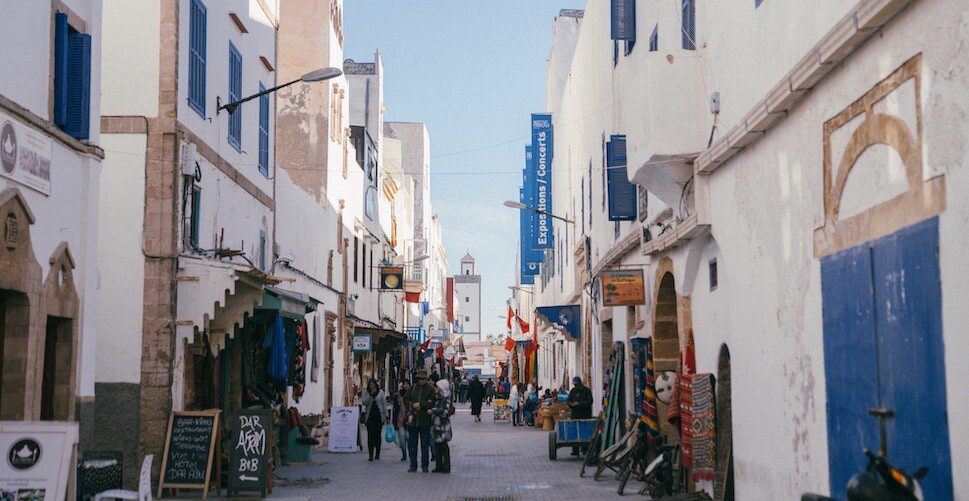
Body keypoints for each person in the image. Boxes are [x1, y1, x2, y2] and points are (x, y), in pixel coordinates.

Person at [404, 371, 436, 472]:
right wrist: (412, 405)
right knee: (412, 445)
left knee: (424, 445)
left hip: (425, 421)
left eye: (423, 379)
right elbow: (405, 400)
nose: (421, 381)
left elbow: (433, 403)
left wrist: (421, 404)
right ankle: (413, 465)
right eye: (420, 379)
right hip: (413, 421)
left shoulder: (430, 389)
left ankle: (424, 466)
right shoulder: (412, 388)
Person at [359, 379, 389, 461]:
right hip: (370, 417)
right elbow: (364, 403)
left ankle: (377, 453)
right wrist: (370, 396)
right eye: (370, 385)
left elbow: (384, 404)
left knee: (377, 435)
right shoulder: (366, 392)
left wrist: (386, 416)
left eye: (373, 384)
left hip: (379, 417)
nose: (371, 386)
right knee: (370, 436)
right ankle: (371, 454)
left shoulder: (381, 392)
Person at [430, 379, 454, 473]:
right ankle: (439, 465)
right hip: (437, 424)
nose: (436, 388)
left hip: (443, 426)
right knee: (437, 446)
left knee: (443, 446)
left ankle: (446, 466)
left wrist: (434, 410)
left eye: (437, 386)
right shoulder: (438, 397)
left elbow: (445, 412)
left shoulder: (445, 398)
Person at [392, 380, 411, 462]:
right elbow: (395, 409)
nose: (405, 385)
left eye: (407, 384)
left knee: (408, 437)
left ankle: (411, 453)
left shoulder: (412, 394)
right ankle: (404, 454)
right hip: (400, 419)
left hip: (410, 420)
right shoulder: (398, 395)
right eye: (404, 384)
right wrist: (394, 421)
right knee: (402, 439)